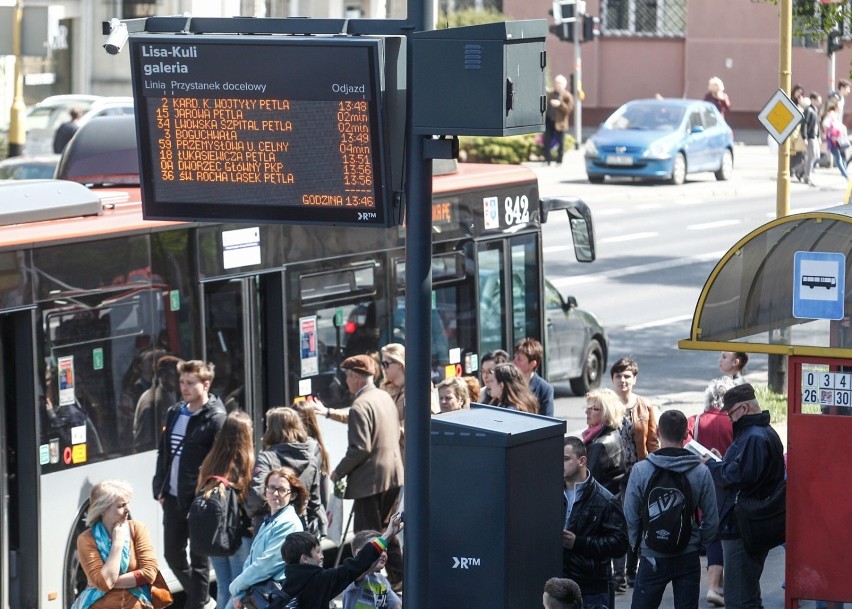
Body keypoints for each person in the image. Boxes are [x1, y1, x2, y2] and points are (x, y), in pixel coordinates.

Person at [624, 410, 719, 609]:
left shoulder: (641, 470)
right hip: (688, 554)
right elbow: (711, 518)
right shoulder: (700, 471)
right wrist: (699, 542)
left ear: (658, 432)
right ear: (686, 434)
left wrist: (638, 544)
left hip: (652, 554)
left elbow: (630, 514)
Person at [152, 359, 226, 609]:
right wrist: (159, 487)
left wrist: (209, 494)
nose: (184, 387)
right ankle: (202, 599)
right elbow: (164, 453)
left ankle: (196, 604)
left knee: (199, 558)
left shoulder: (216, 418)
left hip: (198, 498)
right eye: (182, 382)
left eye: (190, 383)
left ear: (205, 384)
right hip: (172, 496)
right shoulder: (175, 412)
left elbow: (223, 462)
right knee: (171, 554)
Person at [703, 383, 785, 609]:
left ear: (744, 409)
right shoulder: (759, 434)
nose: (729, 419)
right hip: (748, 524)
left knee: (739, 598)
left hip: (742, 526)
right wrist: (722, 462)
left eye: (731, 413)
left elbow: (741, 477)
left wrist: (713, 466)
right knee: (745, 594)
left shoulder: (754, 437)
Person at [330, 354, 404, 590]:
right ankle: (400, 576)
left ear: (354, 377)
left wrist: (338, 472)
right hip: (393, 474)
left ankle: (370, 584)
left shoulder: (360, 405)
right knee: (385, 529)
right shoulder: (383, 396)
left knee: (366, 536)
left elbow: (359, 449)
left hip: (370, 481)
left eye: (347, 377)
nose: (346, 382)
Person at [195, 411, 255, 609]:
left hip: (215, 533)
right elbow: (249, 501)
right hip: (239, 535)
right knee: (237, 589)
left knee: (223, 586)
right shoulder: (246, 463)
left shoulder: (210, 461)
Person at [281, 513, 404, 609]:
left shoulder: (286, 585)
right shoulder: (320, 581)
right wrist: (387, 535)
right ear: (305, 558)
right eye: (318, 552)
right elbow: (357, 565)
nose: (322, 557)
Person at [562, 436, 629, 609]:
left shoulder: (604, 500)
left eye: (566, 459)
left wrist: (579, 543)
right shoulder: (551, 494)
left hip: (592, 588)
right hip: (560, 585)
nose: (560, 464)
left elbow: (620, 544)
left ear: (581, 461)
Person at [609, 357, 658, 591]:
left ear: (634, 379)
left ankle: (631, 570)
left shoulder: (645, 406)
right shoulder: (608, 404)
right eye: (618, 376)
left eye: (627, 376)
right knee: (618, 523)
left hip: (637, 472)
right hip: (614, 474)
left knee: (635, 521)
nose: (622, 380)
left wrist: (654, 468)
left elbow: (653, 441)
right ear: (612, 379)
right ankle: (617, 575)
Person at [686, 377, 735, 607]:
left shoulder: (695, 421)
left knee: (712, 528)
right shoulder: (735, 422)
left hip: (702, 481)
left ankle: (718, 585)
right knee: (724, 532)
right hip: (728, 483)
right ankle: (715, 586)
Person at [73, 480, 159, 609]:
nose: (127, 510)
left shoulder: (138, 529)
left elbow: (150, 572)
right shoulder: (86, 539)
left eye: (127, 504)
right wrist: (117, 543)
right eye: (121, 506)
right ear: (102, 510)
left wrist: (108, 582)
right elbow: (103, 583)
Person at [229, 467, 307, 609]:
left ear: (293, 495)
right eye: (271, 488)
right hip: (257, 590)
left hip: (272, 596)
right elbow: (252, 559)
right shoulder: (271, 519)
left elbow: (265, 565)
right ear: (265, 491)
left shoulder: (288, 523)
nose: (275, 493)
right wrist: (239, 591)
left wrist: (235, 587)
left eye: (282, 490)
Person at [247, 407, 327, 538]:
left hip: (270, 528)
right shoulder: (310, 458)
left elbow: (256, 494)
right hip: (300, 526)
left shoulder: (266, 458)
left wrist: (252, 513)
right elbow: (315, 501)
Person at [340, 528, 403, 609]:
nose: (383, 554)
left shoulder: (382, 581)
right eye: (377, 550)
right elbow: (359, 571)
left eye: (385, 550)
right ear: (360, 554)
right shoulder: (354, 576)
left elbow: (396, 606)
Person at [582, 388, 626, 496]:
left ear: (607, 413)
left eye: (595, 409)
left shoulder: (599, 445)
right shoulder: (613, 432)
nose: (587, 412)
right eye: (588, 408)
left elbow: (588, 483)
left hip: (601, 502)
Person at [514, 337, 555, 416]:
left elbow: (548, 420)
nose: (514, 362)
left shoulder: (545, 389)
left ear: (532, 364)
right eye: (514, 357)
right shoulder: (508, 382)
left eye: (519, 359)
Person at [543, 74, 574, 165]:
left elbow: (569, 109)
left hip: (560, 123)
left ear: (564, 85)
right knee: (547, 140)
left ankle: (559, 160)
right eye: (556, 83)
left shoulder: (567, 95)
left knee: (560, 142)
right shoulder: (551, 93)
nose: (557, 85)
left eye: (559, 83)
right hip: (549, 121)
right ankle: (547, 159)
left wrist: (560, 104)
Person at [793, 94, 820, 186]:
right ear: (813, 100)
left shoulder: (814, 110)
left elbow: (817, 125)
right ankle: (806, 177)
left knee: (815, 156)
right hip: (810, 137)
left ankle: (798, 170)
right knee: (811, 157)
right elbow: (804, 125)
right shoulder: (808, 111)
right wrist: (805, 137)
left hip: (814, 137)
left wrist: (819, 136)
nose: (819, 102)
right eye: (818, 100)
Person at [822, 98, 849, 179]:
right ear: (836, 106)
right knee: (838, 158)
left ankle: (799, 169)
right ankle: (846, 176)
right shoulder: (832, 114)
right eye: (840, 106)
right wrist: (831, 132)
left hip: (835, 139)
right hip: (832, 140)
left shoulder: (835, 114)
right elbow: (825, 124)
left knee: (820, 155)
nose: (841, 108)